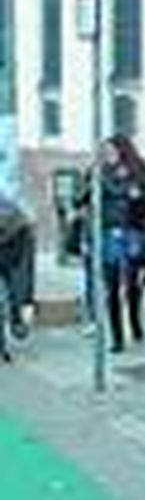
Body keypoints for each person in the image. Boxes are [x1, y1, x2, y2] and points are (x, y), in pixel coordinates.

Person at [80, 135, 145, 353]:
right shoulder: (98, 172)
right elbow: (81, 201)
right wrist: (89, 187)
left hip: (133, 232)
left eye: (112, 151)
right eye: (105, 152)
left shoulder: (140, 171)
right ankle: (117, 338)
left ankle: (135, 322)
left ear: (123, 151)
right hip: (108, 233)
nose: (108, 156)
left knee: (132, 284)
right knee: (111, 286)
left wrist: (139, 196)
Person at [0, 121, 36, 351]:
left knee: (18, 287)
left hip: (16, 238)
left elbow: (21, 214)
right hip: (14, 231)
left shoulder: (9, 180)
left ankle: (17, 320)